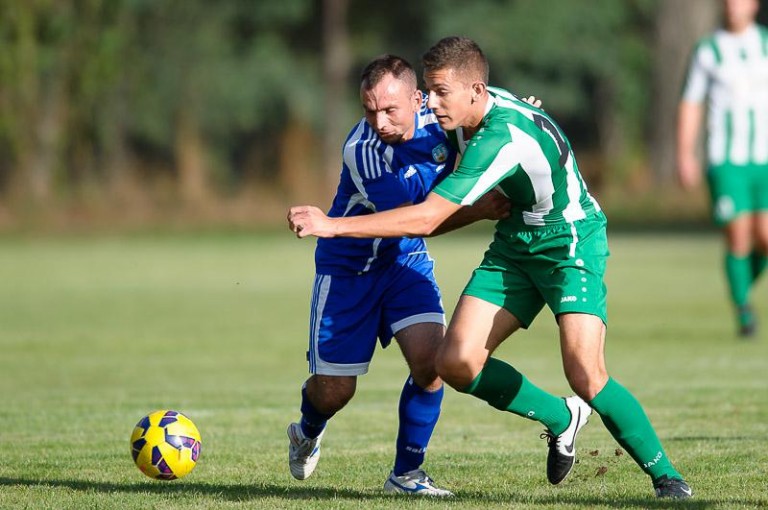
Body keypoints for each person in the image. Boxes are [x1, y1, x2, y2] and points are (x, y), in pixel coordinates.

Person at [289, 36, 693, 499]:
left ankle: (667, 478)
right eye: (430, 91)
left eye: (440, 93)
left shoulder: (498, 136)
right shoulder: (456, 119)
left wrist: (330, 225)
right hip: (512, 245)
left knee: (584, 372)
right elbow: (433, 211)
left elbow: (424, 219)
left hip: (569, 244)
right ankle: (562, 418)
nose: (432, 104)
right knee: (454, 362)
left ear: (475, 92)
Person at [286, 54, 511, 497]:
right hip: (348, 270)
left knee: (432, 365)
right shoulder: (363, 150)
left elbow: (490, 110)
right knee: (334, 392)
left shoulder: (443, 116)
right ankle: (307, 430)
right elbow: (414, 219)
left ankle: (406, 475)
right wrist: (477, 211)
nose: (379, 121)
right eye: (370, 110)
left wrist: (512, 120)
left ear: (418, 98)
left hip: (404, 261)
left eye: (390, 110)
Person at [677, 0, 768, 338]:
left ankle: (740, 282)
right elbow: (690, 103)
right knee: (739, 234)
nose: (733, 6)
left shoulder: (765, 45)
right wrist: (685, 154)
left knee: (764, 237)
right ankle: (744, 311)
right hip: (727, 161)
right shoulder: (709, 50)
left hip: (765, 159)